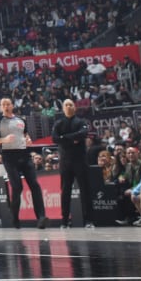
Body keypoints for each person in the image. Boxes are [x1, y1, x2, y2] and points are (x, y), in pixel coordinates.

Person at [0, 97, 46, 229]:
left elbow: (25, 135)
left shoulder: (21, 120)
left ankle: (41, 217)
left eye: (8, 104)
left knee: (35, 185)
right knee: (17, 187)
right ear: (0, 107)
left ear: (12, 105)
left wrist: (28, 140)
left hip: (24, 155)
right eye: (3, 104)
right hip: (9, 157)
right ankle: (15, 216)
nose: (6, 106)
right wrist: (4, 139)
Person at [51, 98, 93, 228]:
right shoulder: (59, 123)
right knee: (65, 191)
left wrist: (65, 138)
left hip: (80, 160)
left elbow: (83, 133)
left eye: (71, 104)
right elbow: (55, 138)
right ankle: (64, 221)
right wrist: (72, 139)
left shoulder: (81, 121)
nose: (68, 106)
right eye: (66, 105)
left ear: (74, 107)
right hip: (65, 162)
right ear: (63, 108)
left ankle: (88, 220)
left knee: (85, 190)